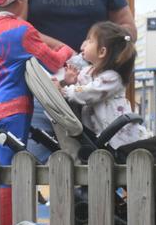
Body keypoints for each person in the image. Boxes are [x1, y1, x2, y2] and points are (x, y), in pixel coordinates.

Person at [18, 0, 135, 162]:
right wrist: (62, 48)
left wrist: (106, 51)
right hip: (41, 89)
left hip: (93, 97)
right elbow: (17, 28)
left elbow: (128, 27)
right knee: (37, 168)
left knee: (92, 173)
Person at [0, 0, 73, 225]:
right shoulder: (23, 31)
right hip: (16, 110)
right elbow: (52, 62)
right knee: (13, 173)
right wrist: (66, 49)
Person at [60, 21, 149, 151]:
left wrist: (66, 91)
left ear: (102, 52)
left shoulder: (112, 78)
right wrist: (70, 82)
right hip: (101, 134)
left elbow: (88, 92)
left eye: (90, 41)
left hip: (118, 137)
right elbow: (81, 87)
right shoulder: (88, 71)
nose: (84, 44)